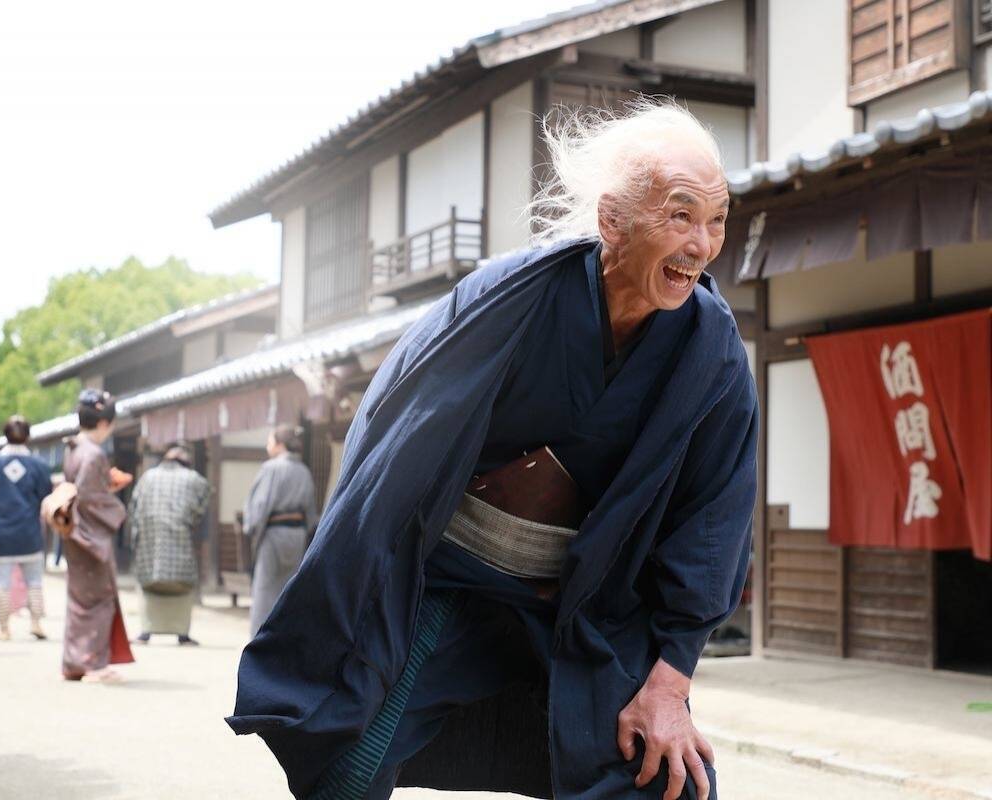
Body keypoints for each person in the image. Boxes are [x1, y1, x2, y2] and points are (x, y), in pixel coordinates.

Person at [228, 100, 758, 800]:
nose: (701, 244)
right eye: (680, 216)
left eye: (716, 220)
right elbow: (388, 461)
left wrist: (670, 683)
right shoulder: (508, 302)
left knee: (667, 781)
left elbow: (714, 521)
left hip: (592, 615)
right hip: (451, 587)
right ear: (612, 221)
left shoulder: (711, 352)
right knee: (349, 766)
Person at [61, 389, 134, 682]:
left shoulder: (73, 448)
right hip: (90, 536)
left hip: (75, 532)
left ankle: (74, 662)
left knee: (80, 600)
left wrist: (105, 485)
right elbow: (90, 498)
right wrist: (118, 508)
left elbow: (83, 491)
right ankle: (93, 664)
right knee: (99, 599)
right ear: (104, 423)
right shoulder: (93, 453)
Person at [0, 416, 53, 641]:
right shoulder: (39, 466)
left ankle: (4, 628)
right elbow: (47, 495)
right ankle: (36, 623)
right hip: (30, 533)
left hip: (1, 534)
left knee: (2, 583)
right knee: (34, 582)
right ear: (28, 436)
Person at [129, 443, 211, 646]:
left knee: (148, 585)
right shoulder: (193, 478)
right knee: (183, 586)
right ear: (186, 462)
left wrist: (136, 539)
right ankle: (182, 634)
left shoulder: (147, 477)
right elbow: (206, 494)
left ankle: (146, 631)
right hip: (180, 542)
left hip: (150, 546)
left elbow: (134, 510)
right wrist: (193, 519)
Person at [242, 424, 319, 638]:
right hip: (297, 535)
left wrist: (251, 528)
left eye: (269, 441)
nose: (267, 446)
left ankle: (259, 639)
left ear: (279, 444)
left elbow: (260, 505)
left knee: (264, 590)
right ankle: (284, 639)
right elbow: (310, 512)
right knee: (288, 589)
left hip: (272, 534)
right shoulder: (304, 470)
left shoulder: (271, 468)